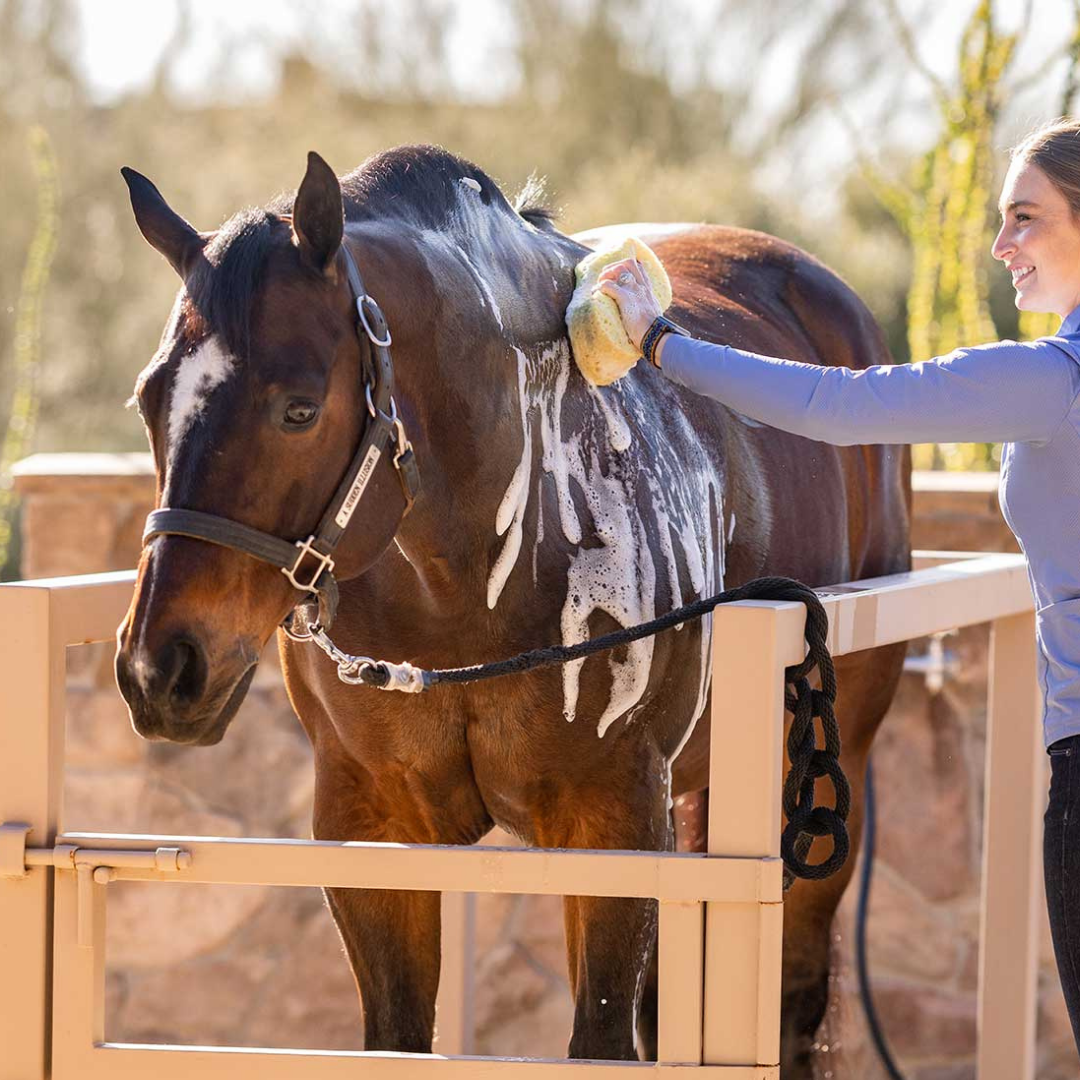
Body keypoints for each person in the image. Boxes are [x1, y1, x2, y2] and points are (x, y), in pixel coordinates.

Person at [597, 116, 1080, 1056]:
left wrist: (662, 344)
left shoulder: (1051, 381)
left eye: (1025, 218)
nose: (1000, 244)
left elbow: (842, 407)